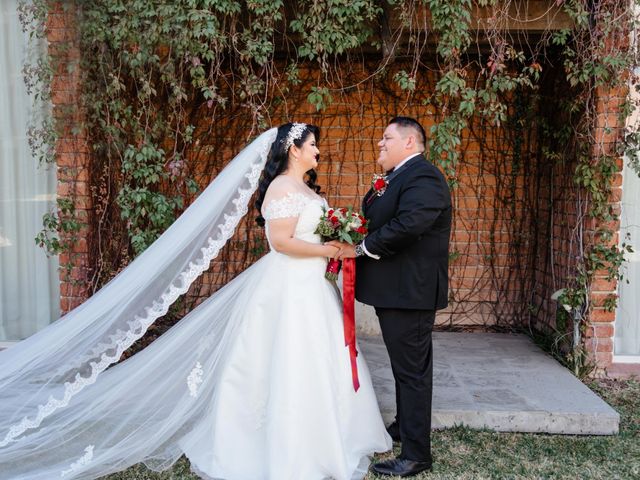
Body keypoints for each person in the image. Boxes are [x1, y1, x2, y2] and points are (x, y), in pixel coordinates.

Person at [0, 123, 391, 479]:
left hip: (312, 287)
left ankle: (329, 437)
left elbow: (307, 237)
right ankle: (287, 450)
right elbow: (281, 242)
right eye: (312, 145)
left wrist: (333, 244)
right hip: (288, 288)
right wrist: (330, 252)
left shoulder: (306, 189)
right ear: (292, 150)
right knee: (288, 359)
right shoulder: (282, 189)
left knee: (321, 360)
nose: (317, 151)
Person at [331, 116, 452, 477]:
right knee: (405, 367)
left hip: (410, 293)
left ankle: (416, 455)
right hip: (396, 291)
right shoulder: (398, 177)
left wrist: (361, 248)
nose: (380, 144)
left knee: (412, 371)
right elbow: (384, 218)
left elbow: (410, 224)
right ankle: (404, 426)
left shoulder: (424, 177)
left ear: (410, 143)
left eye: (387, 138)